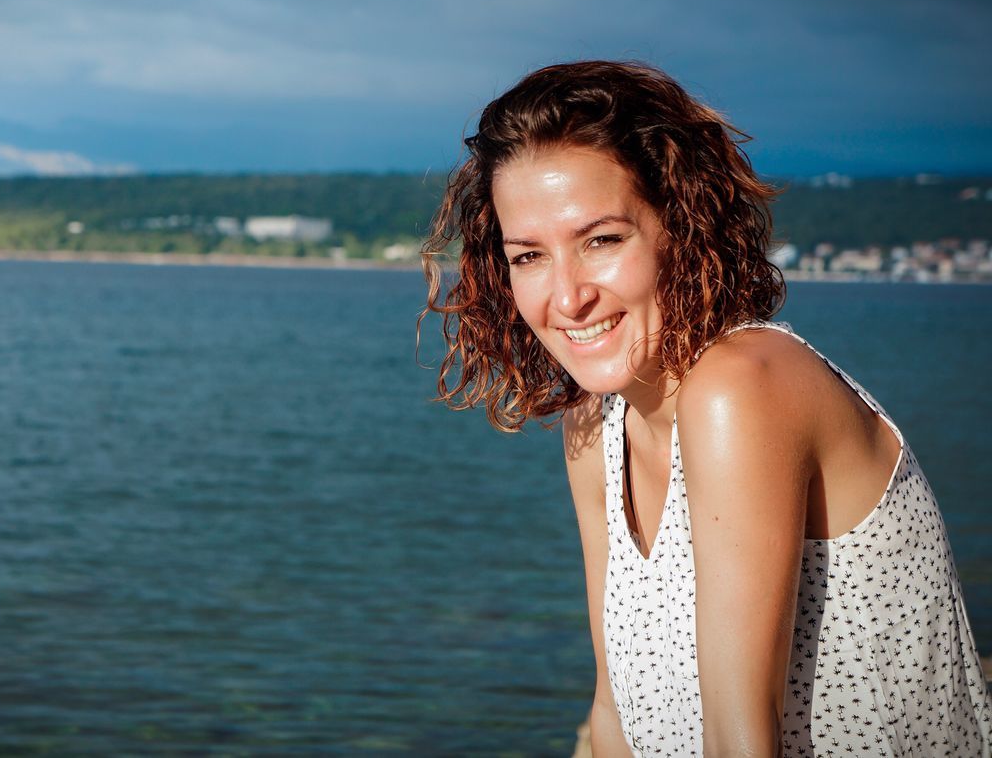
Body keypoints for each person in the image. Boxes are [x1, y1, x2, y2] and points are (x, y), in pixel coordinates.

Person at [421, 61, 992, 756]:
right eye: (530, 256)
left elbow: (737, 739)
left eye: (602, 240)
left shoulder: (743, 385)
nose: (566, 298)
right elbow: (613, 715)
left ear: (679, 228)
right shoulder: (594, 426)